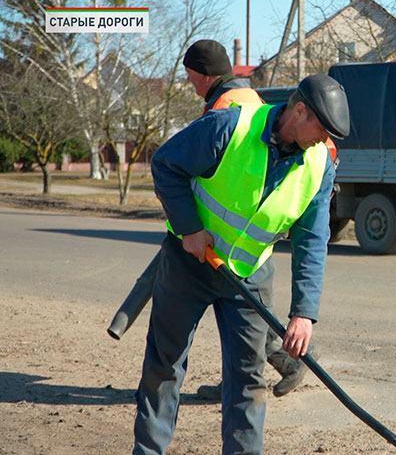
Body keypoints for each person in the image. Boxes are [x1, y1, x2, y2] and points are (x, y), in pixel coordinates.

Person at [133, 73, 349, 455]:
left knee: (248, 379)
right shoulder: (230, 125)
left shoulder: (320, 163)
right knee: (164, 368)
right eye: (323, 128)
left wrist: (304, 313)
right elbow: (166, 165)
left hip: (248, 277)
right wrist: (190, 229)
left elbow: (312, 240)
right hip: (189, 264)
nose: (325, 140)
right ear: (300, 111)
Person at [121, 39, 319, 401]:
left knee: (244, 317)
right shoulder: (244, 94)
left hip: (230, 235)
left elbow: (199, 165)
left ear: (202, 75)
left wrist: (189, 222)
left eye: (189, 75)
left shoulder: (226, 106)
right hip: (237, 236)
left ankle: (278, 365)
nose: (189, 82)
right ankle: (260, 372)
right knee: (247, 316)